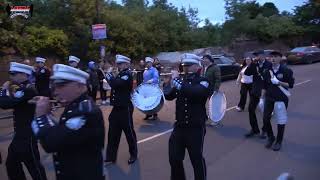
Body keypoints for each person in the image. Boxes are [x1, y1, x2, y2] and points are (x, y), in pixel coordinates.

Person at [31, 64, 105, 180]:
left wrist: (41, 116)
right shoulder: (75, 106)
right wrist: (47, 115)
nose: (55, 91)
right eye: (54, 86)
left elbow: (51, 143)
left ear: (80, 86)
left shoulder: (85, 111)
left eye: (61, 85)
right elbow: (61, 132)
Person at [163, 53, 210, 180]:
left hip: (195, 127)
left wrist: (176, 81)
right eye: (184, 65)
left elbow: (194, 92)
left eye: (188, 65)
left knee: (196, 158)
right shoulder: (181, 82)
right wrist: (167, 83)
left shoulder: (203, 81)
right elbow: (169, 96)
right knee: (174, 158)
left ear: (197, 66)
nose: (185, 68)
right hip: (180, 126)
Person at [0, 62, 47, 180]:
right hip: (20, 134)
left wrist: (3, 90)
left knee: (34, 166)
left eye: (13, 74)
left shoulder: (28, 90)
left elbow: (5, 104)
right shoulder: (21, 88)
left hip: (27, 135)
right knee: (11, 164)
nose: (11, 77)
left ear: (23, 74)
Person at [105, 55, 138, 165]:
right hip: (117, 108)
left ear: (126, 64)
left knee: (129, 132)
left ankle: (133, 154)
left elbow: (115, 84)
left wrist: (109, 74)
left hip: (125, 108)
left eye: (120, 64)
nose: (118, 66)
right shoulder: (120, 74)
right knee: (113, 133)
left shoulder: (127, 75)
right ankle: (110, 157)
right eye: (118, 64)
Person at [262, 52, 294, 151]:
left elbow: (290, 85)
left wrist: (279, 82)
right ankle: (271, 137)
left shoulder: (286, 70)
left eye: (275, 57)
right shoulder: (267, 71)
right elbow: (264, 85)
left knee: (280, 120)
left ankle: (279, 141)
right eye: (271, 57)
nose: (273, 58)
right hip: (269, 98)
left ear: (280, 58)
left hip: (281, 98)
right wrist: (261, 97)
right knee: (265, 119)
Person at [244, 51, 272, 139]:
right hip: (255, 90)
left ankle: (265, 130)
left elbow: (270, 78)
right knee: (251, 109)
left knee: (266, 112)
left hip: (266, 91)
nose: (257, 57)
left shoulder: (269, 64)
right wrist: (252, 63)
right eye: (256, 56)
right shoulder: (254, 64)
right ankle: (254, 129)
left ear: (263, 55)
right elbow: (247, 73)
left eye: (258, 55)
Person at [202, 54, 221, 126]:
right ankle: (204, 118)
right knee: (201, 104)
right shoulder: (203, 67)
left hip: (211, 89)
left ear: (210, 59)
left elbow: (218, 79)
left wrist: (216, 89)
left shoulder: (215, 67)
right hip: (203, 89)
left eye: (205, 58)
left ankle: (215, 120)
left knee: (213, 105)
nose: (204, 60)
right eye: (203, 59)